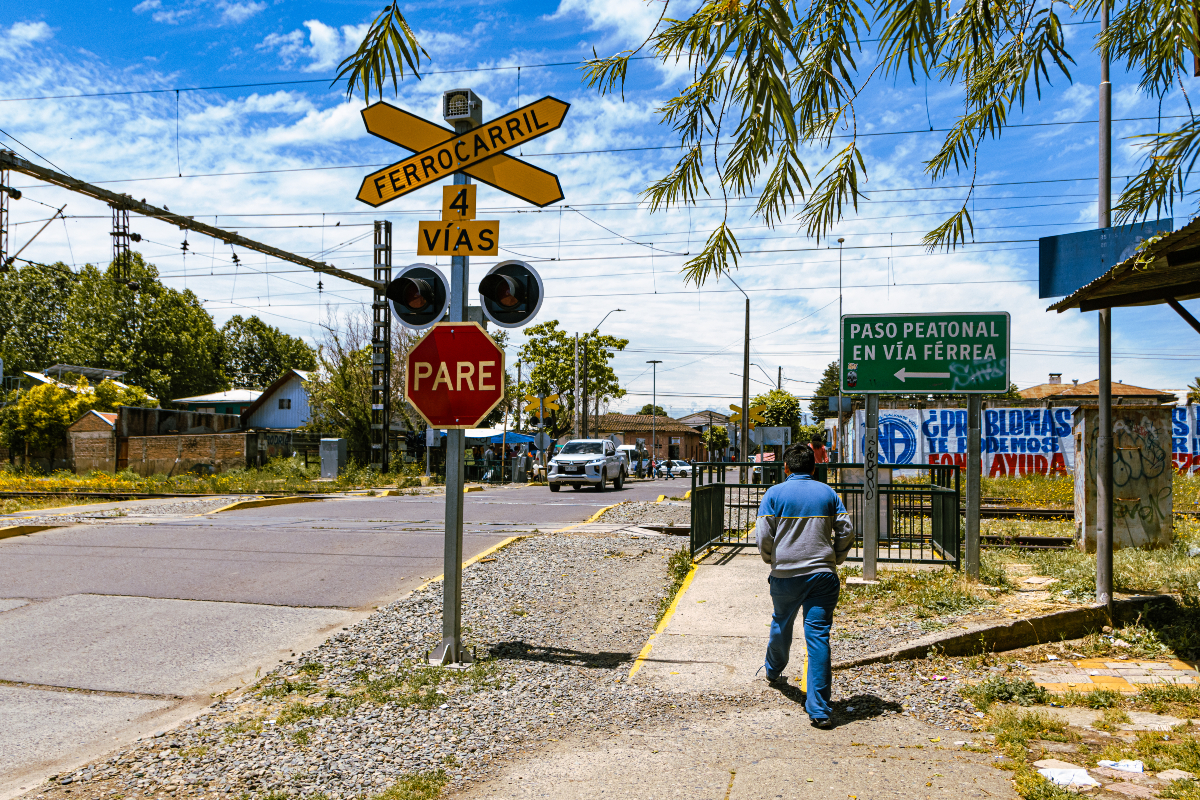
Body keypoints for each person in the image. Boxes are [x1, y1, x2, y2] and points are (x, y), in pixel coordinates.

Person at [755, 442, 854, 727]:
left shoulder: (774, 494)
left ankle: (773, 670)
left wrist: (771, 560)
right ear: (814, 467)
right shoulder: (828, 492)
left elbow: (763, 536)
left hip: (785, 575)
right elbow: (846, 531)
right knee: (818, 636)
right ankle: (820, 710)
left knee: (781, 622)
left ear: (785, 468)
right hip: (823, 576)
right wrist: (835, 556)